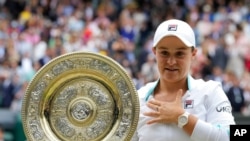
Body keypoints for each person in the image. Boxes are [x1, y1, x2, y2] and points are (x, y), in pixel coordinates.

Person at [132, 19, 235, 141]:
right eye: (164, 53)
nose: (171, 62)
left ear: (193, 53)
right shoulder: (138, 98)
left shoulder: (211, 91)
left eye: (180, 54)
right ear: (154, 52)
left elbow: (230, 136)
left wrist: (181, 117)